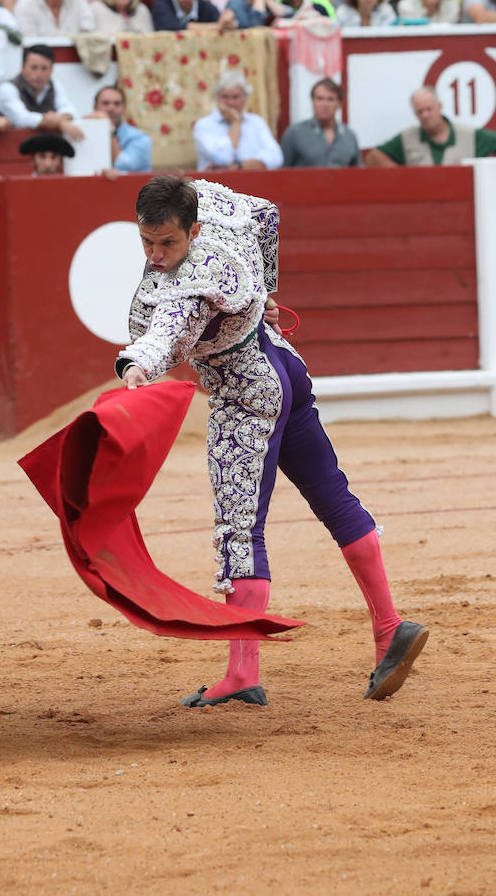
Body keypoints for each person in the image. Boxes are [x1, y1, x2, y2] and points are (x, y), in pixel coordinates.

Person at [115, 173, 427, 706]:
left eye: (168, 242)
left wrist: (136, 364)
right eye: (147, 242)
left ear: (191, 230)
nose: (158, 254)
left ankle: (243, 673)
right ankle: (387, 628)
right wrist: (263, 295)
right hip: (286, 367)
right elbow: (263, 212)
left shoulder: (197, 275)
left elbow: (169, 325)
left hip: (247, 393)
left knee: (240, 532)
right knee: (335, 500)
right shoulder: (209, 205)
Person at [365, 85, 496, 165]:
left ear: (439, 107)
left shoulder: (468, 134)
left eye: (428, 109)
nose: (425, 115)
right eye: (419, 112)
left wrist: (486, 172)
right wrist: (401, 178)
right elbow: (372, 157)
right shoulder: (408, 138)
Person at [193, 70, 283, 171]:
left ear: (245, 97)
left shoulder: (256, 122)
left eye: (236, 97)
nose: (230, 102)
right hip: (214, 185)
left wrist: (237, 167)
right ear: (216, 97)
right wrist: (235, 123)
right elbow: (223, 158)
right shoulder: (204, 125)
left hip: (253, 182)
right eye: (225, 97)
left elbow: (276, 157)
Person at [0, 43, 83, 136]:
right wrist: (59, 122)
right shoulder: (7, 88)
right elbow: (20, 119)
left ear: (51, 70)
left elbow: (70, 109)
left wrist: (59, 118)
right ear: (22, 67)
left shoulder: (54, 85)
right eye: (34, 68)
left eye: (44, 68)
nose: (39, 74)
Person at [280, 77, 361, 167]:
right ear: (312, 101)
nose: (325, 104)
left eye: (330, 99)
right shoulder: (294, 133)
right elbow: (282, 171)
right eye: (320, 99)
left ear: (339, 104)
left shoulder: (349, 135)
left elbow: (358, 172)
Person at [87, 84, 152, 172]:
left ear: (124, 108)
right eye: (105, 103)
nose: (111, 108)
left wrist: (110, 130)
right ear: (95, 107)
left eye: (117, 104)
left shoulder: (140, 138)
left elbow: (123, 166)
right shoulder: (88, 132)